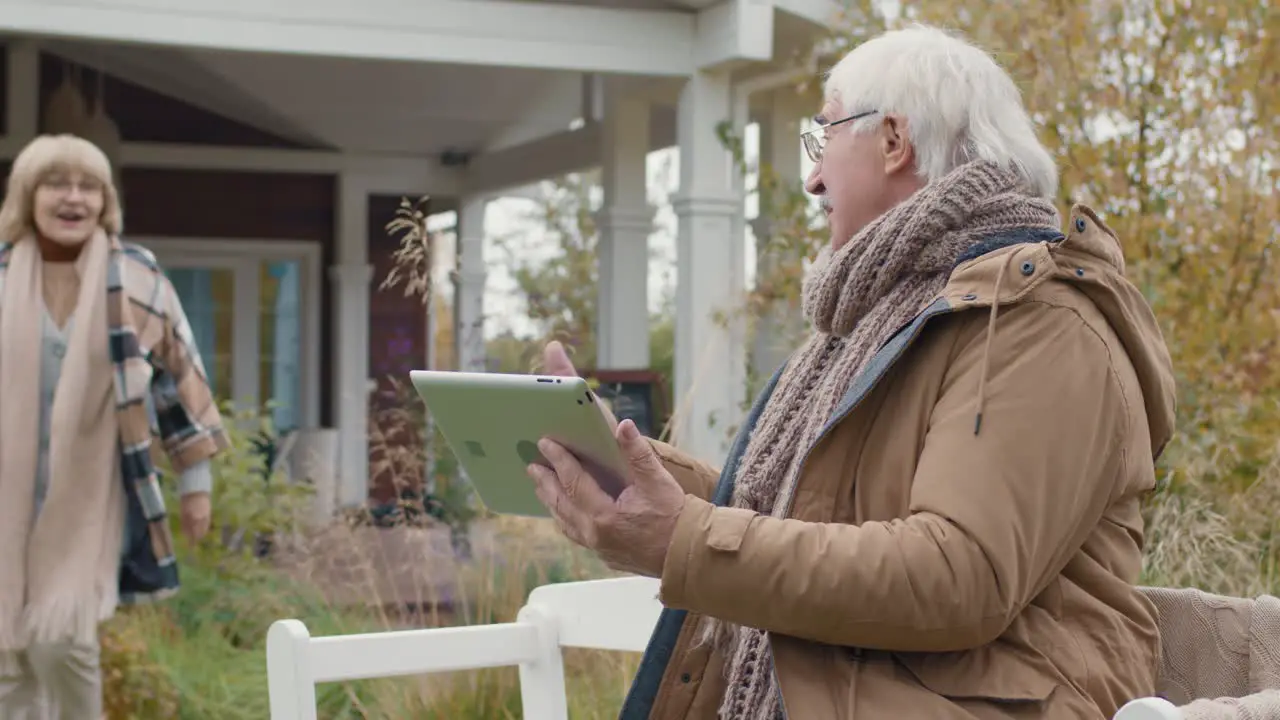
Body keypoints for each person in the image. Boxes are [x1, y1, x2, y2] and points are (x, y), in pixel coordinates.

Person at [525, 24, 1177, 720]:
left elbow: (958, 577)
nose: (811, 178)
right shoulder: (875, 319)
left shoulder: (1041, 325)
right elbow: (793, 515)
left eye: (823, 137)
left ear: (894, 140)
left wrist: (684, 538)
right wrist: (623, 464)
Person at [0, 134, 230, 719]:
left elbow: (179, 381)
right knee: (8, 659)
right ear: (28, 195)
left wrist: (195, 485)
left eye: (89, 186)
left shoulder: (135, 278)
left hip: (90, 496)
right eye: (56, 183)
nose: (73, 198)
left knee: (61, 638)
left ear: (106, 201)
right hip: (5, 498)